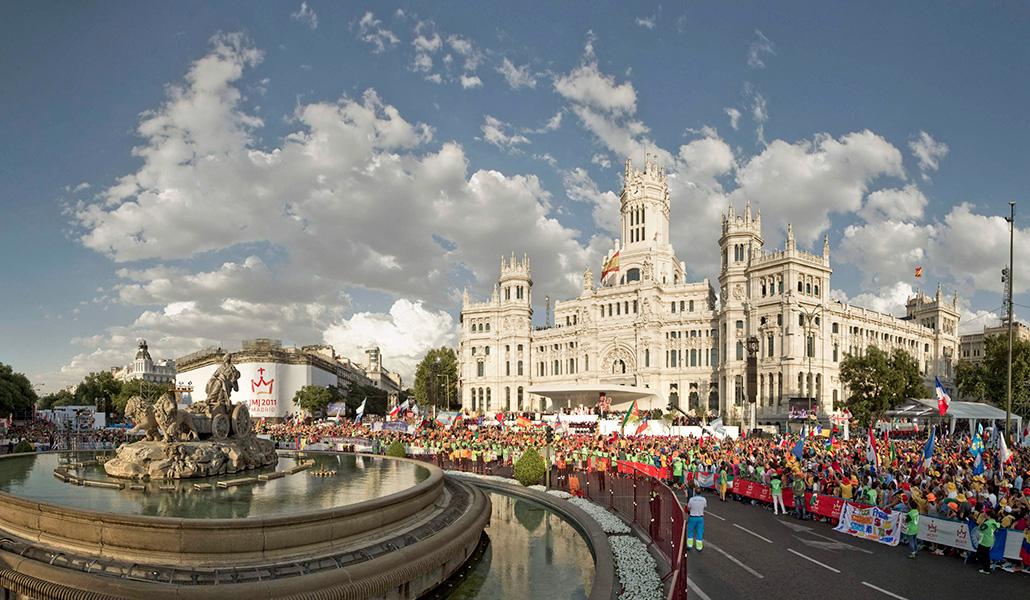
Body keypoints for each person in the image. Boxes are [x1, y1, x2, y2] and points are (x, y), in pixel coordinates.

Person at [977, 509, 1001, 574]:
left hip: (984, 540)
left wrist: (982, 521)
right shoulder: (995, 523)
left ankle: (986, 568)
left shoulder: (987, 523)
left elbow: (979, 528)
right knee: (986, 555)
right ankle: (986, 568)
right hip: (990, 540)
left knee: (980, 555)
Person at [686, 486, 707, 552]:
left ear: (695, 492)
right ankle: (699, 547)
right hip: (700, 517)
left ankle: (689, 545)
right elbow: (705, 506)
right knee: (699, 532)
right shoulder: (704, 499)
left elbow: (688, 507)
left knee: (690, 531)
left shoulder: (691, 499)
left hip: (693, 516)